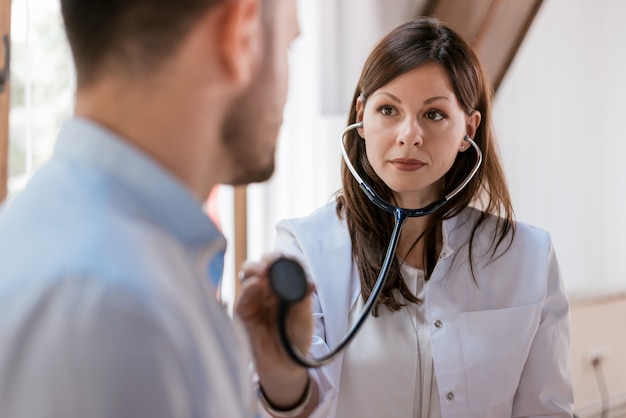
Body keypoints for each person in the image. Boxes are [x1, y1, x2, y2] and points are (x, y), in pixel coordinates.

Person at [236, 16, 574, 417]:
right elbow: (293, 403)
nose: (408, 135)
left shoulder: (529, 257)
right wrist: (282, 376)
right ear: (362, 118)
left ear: (469, 128)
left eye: (433, 115)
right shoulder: (306, 247)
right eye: (388, 109)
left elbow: (547, 409)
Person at [0, 0, 302, 416]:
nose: (289, 90)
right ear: (241, 33)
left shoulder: (103, 254)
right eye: (288, 46)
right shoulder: (110, 310)